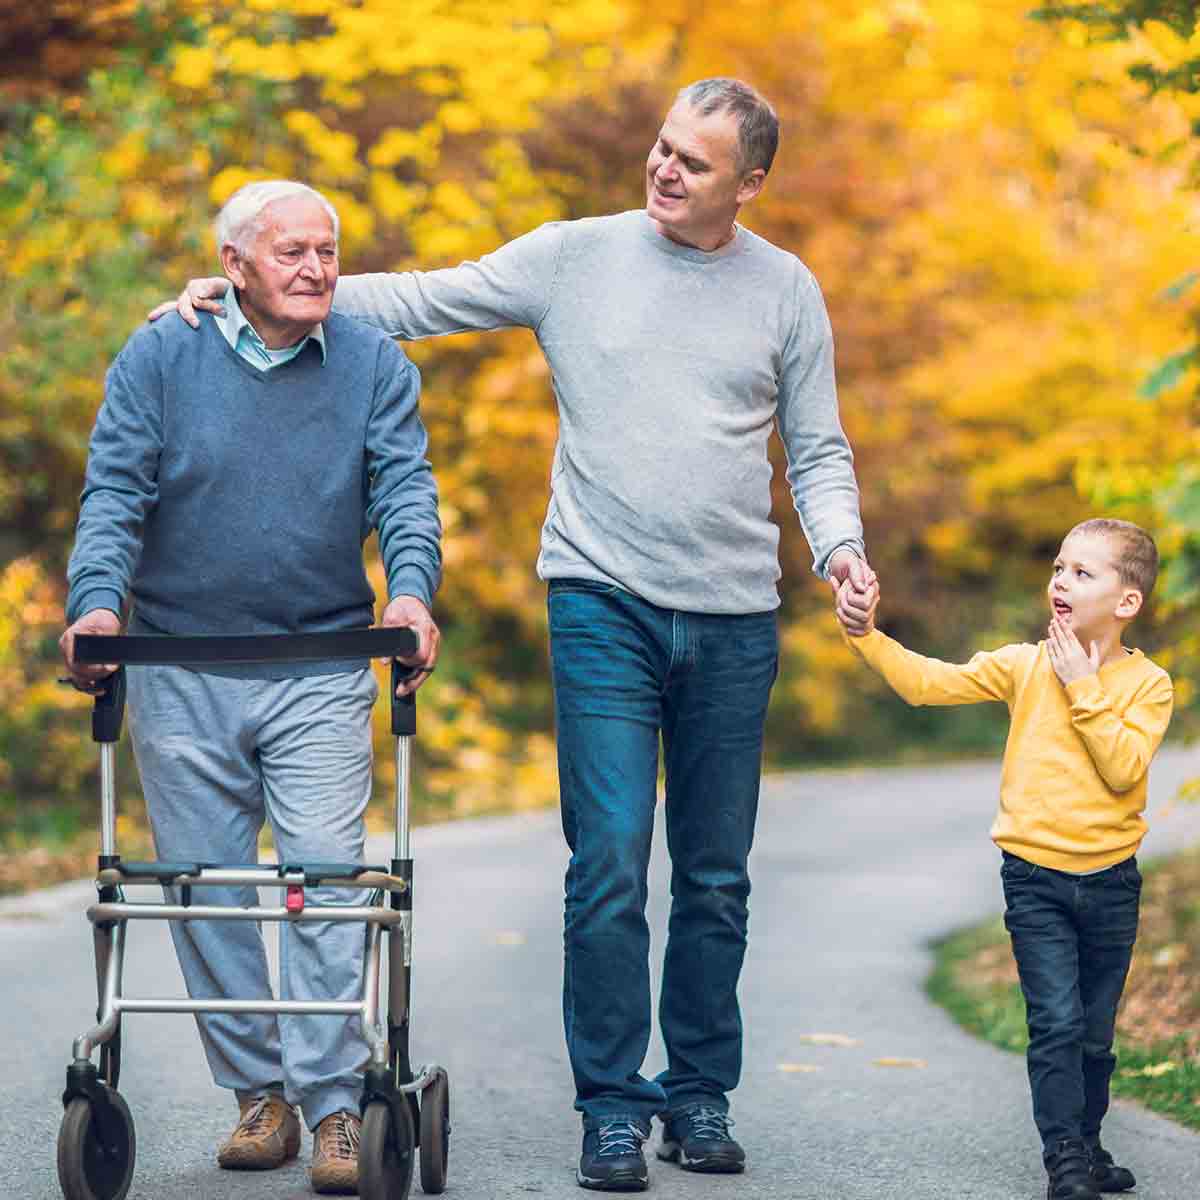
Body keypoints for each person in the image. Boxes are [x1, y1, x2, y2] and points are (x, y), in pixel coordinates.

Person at [156, 78, 878, 1191]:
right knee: (604, 869)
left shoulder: (785, 290)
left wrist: (840, 550)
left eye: (694, 160)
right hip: (599, 600)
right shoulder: (574, 256)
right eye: (661, 147)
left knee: (717, 875)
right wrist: (252, 289)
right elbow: (417, 300)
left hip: (736, 616)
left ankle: (698, 1094)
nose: (665, 168)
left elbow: (818, 449)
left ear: (751, 182)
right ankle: (610, 1108)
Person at [61, 179, 442, 1196]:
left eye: (329, 250)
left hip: (321, 662)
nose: (318, 269)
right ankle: (258, 1097)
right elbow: (115, 489)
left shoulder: (371, 364)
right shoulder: (161, 353)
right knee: (207, 889)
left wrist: (409, 594)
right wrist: (97, 604)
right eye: (293, 252)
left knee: (320, 880)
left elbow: (404, 488)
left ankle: (331, 1111)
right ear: (235, 265)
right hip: (178, 661)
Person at [834, 518, 1173, 1200]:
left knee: (1096, 1037)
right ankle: (1065, 1164)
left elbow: (1122, 767)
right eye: (1057, 567)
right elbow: (930, 683)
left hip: (1110, 883)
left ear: (1126, 601)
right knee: (1056, 1024)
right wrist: (865, 636)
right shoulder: (1024, 665)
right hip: (1034, 879)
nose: (1061, 581)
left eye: (1083, 572)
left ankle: (1089, 1141)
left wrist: (1084, 687)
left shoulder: (1149, 686)